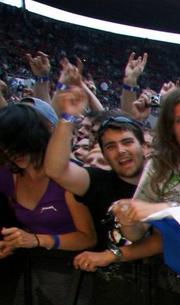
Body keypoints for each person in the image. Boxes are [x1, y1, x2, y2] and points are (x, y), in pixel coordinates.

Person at [43, 85, 150, 270]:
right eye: (110, 146)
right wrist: (67, 117)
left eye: (127, 142)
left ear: (144, 146)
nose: (120, 150)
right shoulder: (98, 182)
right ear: (104, 154)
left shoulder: (161, 183)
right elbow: (55, 170)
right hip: (103, 279)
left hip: (156, 280)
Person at [0, 102, 96, 258]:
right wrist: (11, 242)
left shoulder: (67, 177)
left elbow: (88, 238)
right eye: (6, 147)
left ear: (36, 138)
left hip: (74, 264)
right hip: (32, 265)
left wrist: (37, 240)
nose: (14, 153)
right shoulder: (7, 175)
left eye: (20, 145)